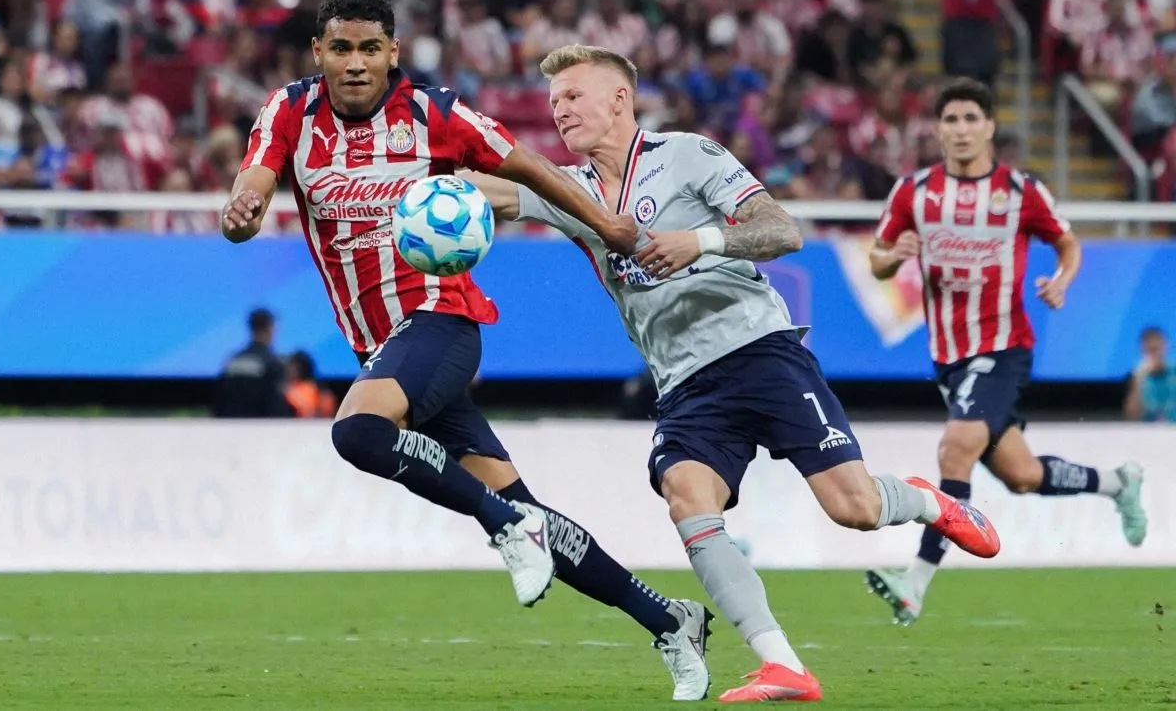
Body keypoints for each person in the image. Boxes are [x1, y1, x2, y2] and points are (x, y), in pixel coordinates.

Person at [464, 43, 1002, 704]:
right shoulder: (570, 193)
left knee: (854, 509)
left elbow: (782, 231)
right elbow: (490, 191)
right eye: (554, 101)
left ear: (619, 99)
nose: (559, 110)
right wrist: (401, 178)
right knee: (687, 495)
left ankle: (929, 501)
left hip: (758, 350)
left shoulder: (688, 155)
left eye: (573, 96)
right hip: (683, 384)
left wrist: (701, 241)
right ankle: (783, 665)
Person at [221, 0, 712, 701]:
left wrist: (609, 226)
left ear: (392, 52)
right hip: (382, 350)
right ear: (318, 52)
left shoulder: (436, 115)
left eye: (369, 49)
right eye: (341, 48)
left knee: (357, 432)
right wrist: (241, 209)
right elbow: (253, 185)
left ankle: (504, 527)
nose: (355, 63)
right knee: (532, 511)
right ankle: (669, 620)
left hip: (441, 320)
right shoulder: (290, 111)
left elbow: (530, 166)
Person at [865, 78, 1148, 627]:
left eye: (972, 118)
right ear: (938, 130)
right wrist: (893, 256)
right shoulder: (913, 192)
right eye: (951, 119)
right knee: (1021, 474)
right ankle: (1119, 481)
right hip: (948, 358)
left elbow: (1067, 243)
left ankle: (914, 583)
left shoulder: (1020, 192)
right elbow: (877, 259)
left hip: (1002, 346)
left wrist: (1062, 280)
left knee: (955, 449)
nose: (961, 129)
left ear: (990, 127)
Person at [212, 308, 295, 419]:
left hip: (231, 425)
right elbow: (276, 407)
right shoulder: (273, 364)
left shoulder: (232, 362)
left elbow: (219, 401)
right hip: (260, 426)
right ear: (270, 329)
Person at [1124, 326, 1176, 422]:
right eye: (1150, 350)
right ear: (1142, 349)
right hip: (1149, 430)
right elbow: (1132, 416)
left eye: (1157, 349)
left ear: (1166, 346)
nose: (1154, 355)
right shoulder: (1138, 376)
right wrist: (1138, 381)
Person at [284, 350, 339, 418]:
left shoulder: (313, 389)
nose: (291, 371)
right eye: (290, 367)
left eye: (295, 367)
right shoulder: (288, 389)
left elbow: (327, 410)